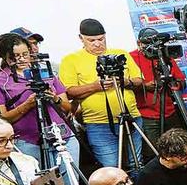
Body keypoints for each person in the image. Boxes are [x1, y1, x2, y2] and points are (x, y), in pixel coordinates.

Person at [59, 18, 145, 170]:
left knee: (137, 163)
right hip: (98, 124)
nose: (97, 44)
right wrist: (95, 87)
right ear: (81, 38)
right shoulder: (71, 60)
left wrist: (123, 81)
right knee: (111, 169)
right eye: (91, 40)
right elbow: (69, 91)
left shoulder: (120, 54)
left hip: (131, 117)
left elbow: (139, 80)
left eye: (101, 39)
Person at [0, 34, 78, 170]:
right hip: (28, 142)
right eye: (15, 56)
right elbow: (1, 119)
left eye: (25, 54)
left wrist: (54, 98)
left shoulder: (45, 72)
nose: (21, 59)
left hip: (63, 137)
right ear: (5, 56)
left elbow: (68, 107)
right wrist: (27, 105)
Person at [129, 28, 187, 162]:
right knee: (154, 154)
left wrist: (172, 83)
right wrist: (145, 85)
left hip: (171, 112)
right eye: (148, 43)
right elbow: (127, 84)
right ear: (139, 43)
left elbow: (181, 81)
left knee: (178, 148)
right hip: (147, 115)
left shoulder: (164, 55)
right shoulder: (131, 58)